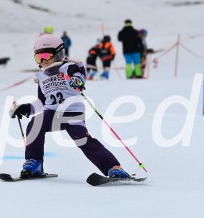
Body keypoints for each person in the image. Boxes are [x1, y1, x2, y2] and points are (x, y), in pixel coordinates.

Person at [9, 33, 130, 179]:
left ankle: (113, 167)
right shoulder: (42, 78)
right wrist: (26, 108)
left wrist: (77, 81)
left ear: (58, 53)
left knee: (83, 140)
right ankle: (34, 163)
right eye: (38, 57)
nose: (43, 60)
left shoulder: (69, 67)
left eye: (46, 55)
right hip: (52, 113)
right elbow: (42, 102)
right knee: (35, 124)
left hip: (72, 112)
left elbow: (79, 76)